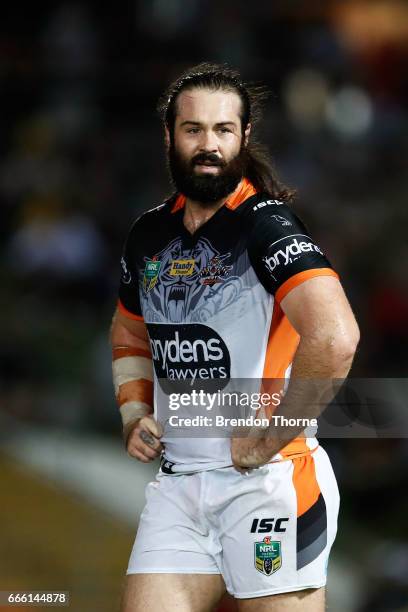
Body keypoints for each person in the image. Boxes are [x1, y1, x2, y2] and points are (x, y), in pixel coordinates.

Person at [110, 63, 360, 612]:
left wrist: (270, 439)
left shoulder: (265, 226)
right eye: (194, 129)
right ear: (169, 135)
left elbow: (336, 337)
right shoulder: (149, 234)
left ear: (244, 138)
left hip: (270, 484)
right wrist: (134, 411)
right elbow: (129, 331)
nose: (208, 145)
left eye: (224, 130)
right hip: (178, 486)